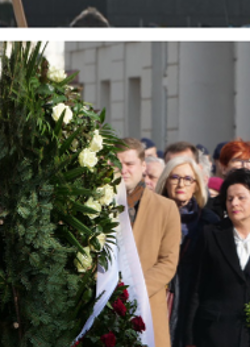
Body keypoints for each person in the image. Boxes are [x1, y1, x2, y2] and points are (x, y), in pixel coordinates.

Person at [174, 170, 250, 347]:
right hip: (214, 334)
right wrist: (189, 339)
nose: (234, 203)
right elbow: (196, 289)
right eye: (230, 199)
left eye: (241, 198)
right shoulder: (211, 235)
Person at [114, 141, 180, 347]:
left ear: (143, 166)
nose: (124, 170)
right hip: (107, 311)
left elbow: (168, 262)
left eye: (129, 163)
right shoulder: (99, 206)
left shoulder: (166, 208)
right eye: (118, 164)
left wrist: (133, 290)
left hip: (148, 307)